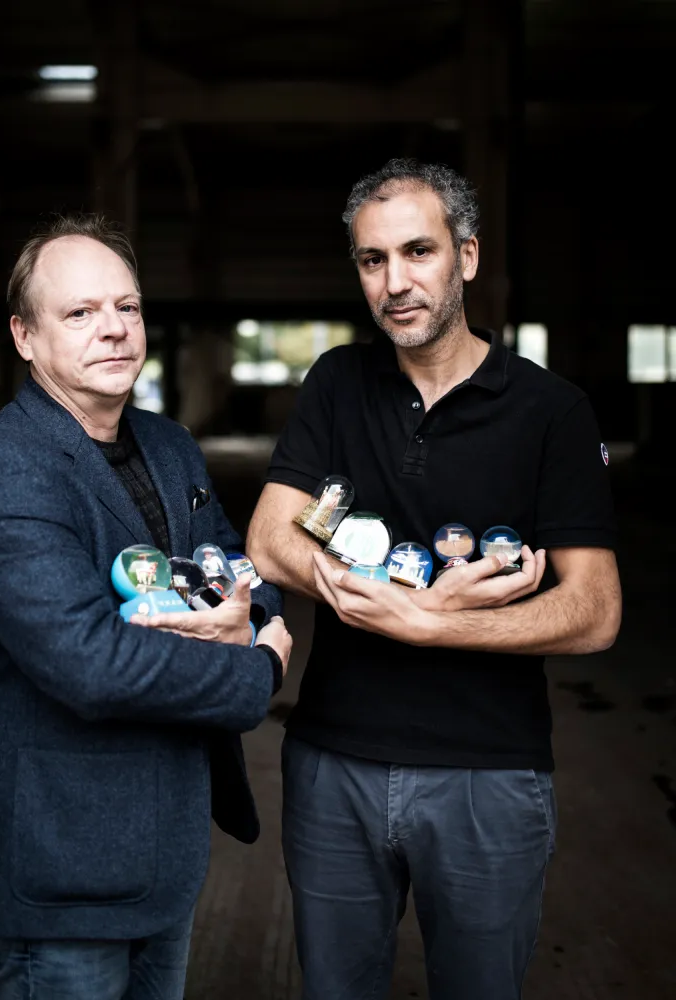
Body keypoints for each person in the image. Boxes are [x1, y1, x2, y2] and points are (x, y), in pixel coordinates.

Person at [246, 158, 621, 1000]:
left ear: (468, 257)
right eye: (373, 260)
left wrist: (432, 624)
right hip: (333, 760)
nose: (395, 282)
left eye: (418, 252)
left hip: (488, 773)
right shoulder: (338, 383)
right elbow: (271, 540)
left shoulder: (551, 411)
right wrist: (347, 584)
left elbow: (595, 611)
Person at [0, 214, 292, 1000]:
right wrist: (259, 664)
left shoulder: (169, 445)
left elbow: (232, 561)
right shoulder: (2, 474)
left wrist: (257, 611)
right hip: (65, 865)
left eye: (126, 307)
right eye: (80, 312)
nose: (114, 330)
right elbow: (88, 664)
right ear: (24, 337)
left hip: (166, 849)